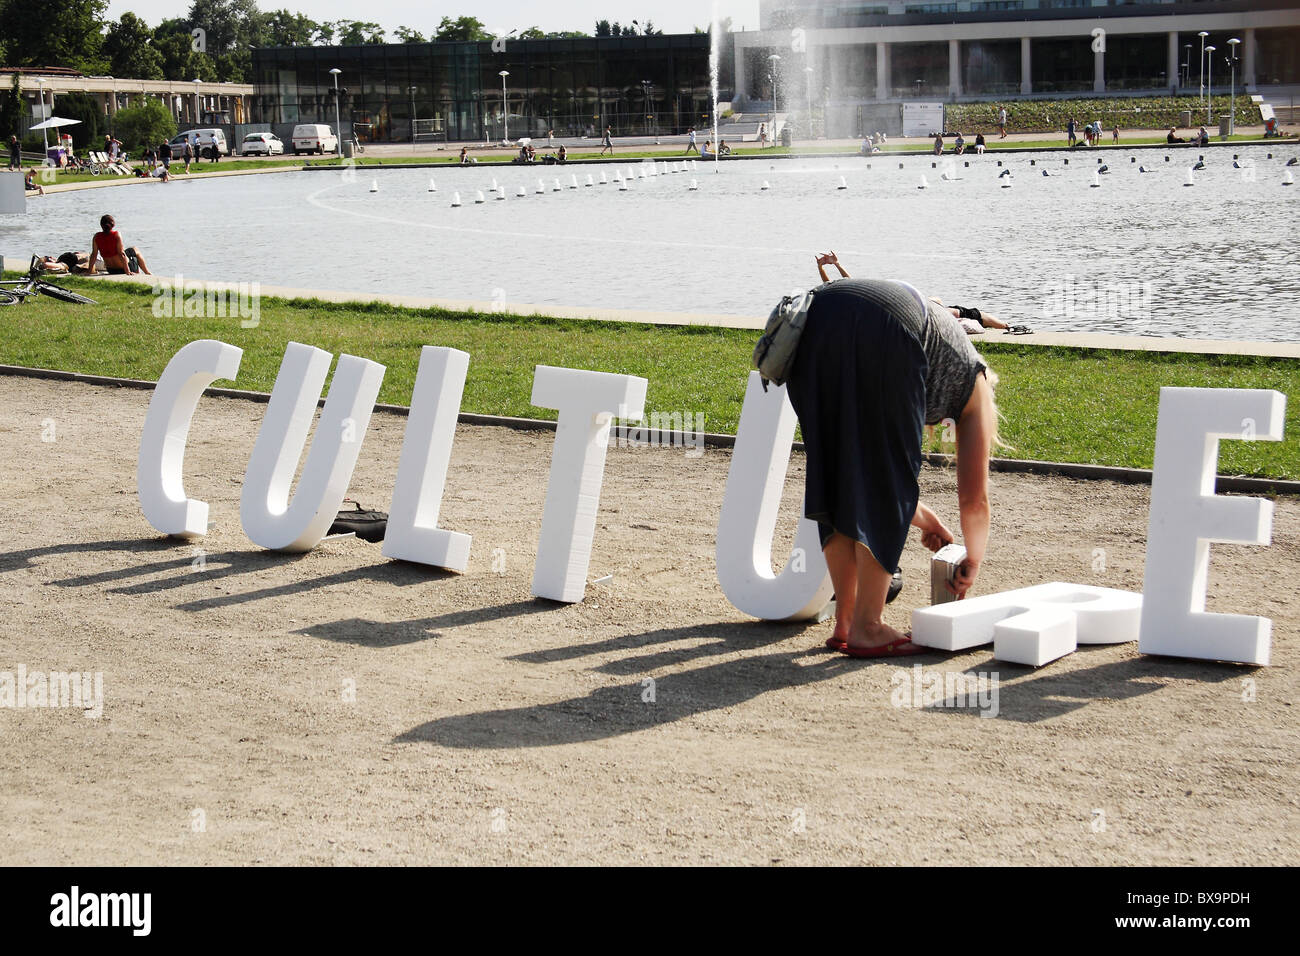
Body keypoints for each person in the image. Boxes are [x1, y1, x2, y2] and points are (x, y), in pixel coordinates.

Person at [785, 253, 998, 656]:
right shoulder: (976, 383)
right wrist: (973, 559)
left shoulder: (941, 356)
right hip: (886, 324)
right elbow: (974, 499)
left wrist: (923, 517)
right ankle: (868, 625)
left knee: (835, 472)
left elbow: (865, 471)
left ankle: (846, 621)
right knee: (888, 474)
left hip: (812, 319)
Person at [86, 214, 152, 276]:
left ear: (101, 225)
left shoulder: (96, 237)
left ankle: (145, 272)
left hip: (111, 270)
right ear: (113, 224)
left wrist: (89, 271)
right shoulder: (116, 235)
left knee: (131, 250)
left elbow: (94, 255)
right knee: (135, 250)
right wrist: (127, 271)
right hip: (122, 270)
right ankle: (147, 272)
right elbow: (121, 254)